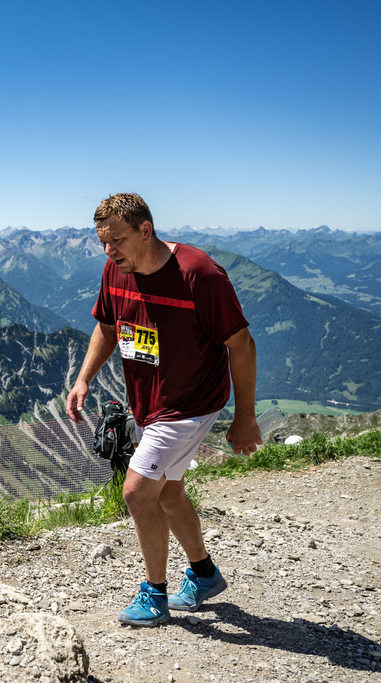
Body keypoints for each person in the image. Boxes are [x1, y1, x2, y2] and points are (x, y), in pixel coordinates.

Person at [66, 192, 261, 628]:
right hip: (149, 404)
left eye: (116, 240)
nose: (109, 250)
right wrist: (83, 378)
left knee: (137, 492)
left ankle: (154, 594)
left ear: (146, 230)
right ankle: (205, 574)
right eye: (102, 242)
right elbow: (109, 326)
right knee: (169, 493)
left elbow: (242, 344)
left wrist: (245, 416)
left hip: (190, 404)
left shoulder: (199, 274)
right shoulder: (116, 270)